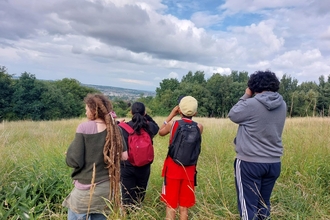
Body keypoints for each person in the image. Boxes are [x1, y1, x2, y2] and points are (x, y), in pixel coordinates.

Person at [228, 70, 287, 220]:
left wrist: (247, 94)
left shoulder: (251, 104)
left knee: (248, 207)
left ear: (253, 86)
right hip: (273, 163)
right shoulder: (282, 105)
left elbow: (233, 114)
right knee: (263, 205)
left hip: (249, 162)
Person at [62, 93, 128, 220]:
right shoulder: (115, 129)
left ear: (93, 110)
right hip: (107, 188)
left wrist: (69, 154)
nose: (86, 113)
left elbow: (75, 161)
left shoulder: (84, 127)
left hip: (86, 188)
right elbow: (124, 156)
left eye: (86, 109)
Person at [159, 96, 204, 220]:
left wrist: (171, 115)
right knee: (184, 207)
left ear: (179, 110)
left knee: (171, 205)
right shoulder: (199, 127)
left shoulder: (173, 124)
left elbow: (160, 132)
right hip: (189, 171)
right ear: (195, 112)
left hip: (172, 169)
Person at [120, 102, 159, 210]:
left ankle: (127, 215)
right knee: (139, 195)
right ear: (144, 112)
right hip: (144, 166)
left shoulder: (123, 128)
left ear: (131, 112)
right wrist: (146, 116)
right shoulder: (150, 127)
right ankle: (137, 212)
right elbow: (156, 126)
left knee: (126, 197)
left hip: (127, 166)